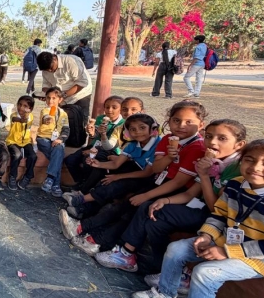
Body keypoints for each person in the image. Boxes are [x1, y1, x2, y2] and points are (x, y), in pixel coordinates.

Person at [130, 139, 264, 298]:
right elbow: (219, 215)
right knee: (177, 249)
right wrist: (206, 235)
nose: (256, 167)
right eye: (249, 160)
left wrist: (226, 251)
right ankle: (166, 295)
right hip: (230, 242)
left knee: (206, 273)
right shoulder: (236, 184)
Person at [95, 119, 246, 273]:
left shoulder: (237, 170)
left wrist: (204, 176)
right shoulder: (211, 161)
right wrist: (165, 200)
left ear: (239, 145)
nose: (212, 142)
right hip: (197, 204)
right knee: (155, 221)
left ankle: (126, 252)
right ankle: (165, 270)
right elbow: (189, 194)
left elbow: (215, 208)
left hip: (216, 219)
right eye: (208, 136)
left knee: (150, 208)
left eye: (222, 138)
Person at [62, 113, 161, 256]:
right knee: (107, 174)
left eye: (142, 128)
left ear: (153, 129)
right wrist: (98, 164)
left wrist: (117, 176)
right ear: (128, 132)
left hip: (148, 181)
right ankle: (82, 211)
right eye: (133, 129)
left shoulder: (158, 144)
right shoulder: (133, 145)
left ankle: (81, 202)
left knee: (119, 191)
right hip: (134, 173)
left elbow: (147, 173)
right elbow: (116, 164)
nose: (137, 132)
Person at [63, 95, 124, 194]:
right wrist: (91, 132)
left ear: (121, 109)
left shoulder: (122, 123)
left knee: (87, 161)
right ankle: (81, 182)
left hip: (110, 150)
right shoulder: (101, 118)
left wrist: (93, 150)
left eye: (114, 107)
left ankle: (84, 187)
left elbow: (112, 145)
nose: (109, 110)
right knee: (70, 160)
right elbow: (95, 135)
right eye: (107, 107)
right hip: (94, 146)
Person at [36, 51, 92, 133]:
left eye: (51, 68)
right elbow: (46, 84)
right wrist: (45, 95)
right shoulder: (46, 67)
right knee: (62, 122)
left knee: (80, 122)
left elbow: (82, 82)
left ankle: (79, 138)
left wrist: (63, 95)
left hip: (80, 95)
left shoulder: (70, 61)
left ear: (54, 59)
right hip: (60, 98)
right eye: (47, 70)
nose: (50, 71)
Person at [34, 87, 69, 198]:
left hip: (56, 140)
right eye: (48, 98)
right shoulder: (45, 111)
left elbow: (66, 129)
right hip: (43, 139)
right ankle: (55, 182)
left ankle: (50, 180)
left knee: (59, 148)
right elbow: (46, 117)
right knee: (58, 156)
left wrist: (60, 139)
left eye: (54, 98)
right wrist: (48, 119)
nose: (50, 101)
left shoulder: (64, 114)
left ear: (60, 100)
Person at [6, 95, 37, 190]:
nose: (21, 108)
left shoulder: (31, 116)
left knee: (33, 156)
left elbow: (27, 121)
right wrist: (22, 119)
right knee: (17, 155)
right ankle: (12, 176)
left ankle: (28, 176)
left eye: (25, 106)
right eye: (19, 104)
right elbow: (17, 120)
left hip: (26, 142)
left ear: (30, 109)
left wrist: (26, 117)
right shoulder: (13, 115)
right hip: (13, 141)